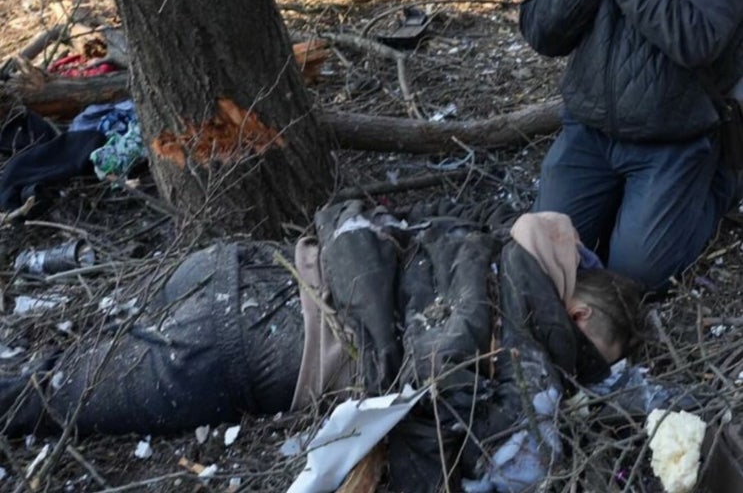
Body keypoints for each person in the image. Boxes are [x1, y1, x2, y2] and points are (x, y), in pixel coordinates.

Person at [0, 203, 641, 489]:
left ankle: (44, 270)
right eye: (586, 354)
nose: (574, 370)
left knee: (73, 353)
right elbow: (471, 433)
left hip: (246, 265)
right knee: (40, 396)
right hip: (244, 345)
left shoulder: (480, 239)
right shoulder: (521, 330)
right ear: (576, 310)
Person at [519, 0, 743, 290]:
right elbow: (540, 32)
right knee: (549, 256)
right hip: (590, 130)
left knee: (636, 274)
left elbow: (698, 39)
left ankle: (717, 187)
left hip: (675, 135)